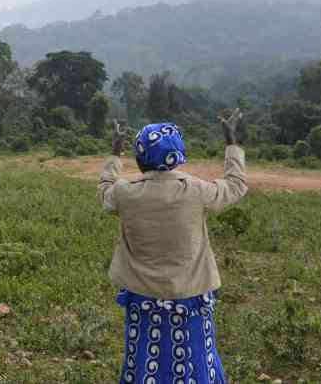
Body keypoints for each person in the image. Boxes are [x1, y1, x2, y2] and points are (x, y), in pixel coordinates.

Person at [97, 109, 247, 384]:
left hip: (141, 298)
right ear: (177, 157)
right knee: (197, 356)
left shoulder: (124, 194)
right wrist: (231, 142)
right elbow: (236, 185)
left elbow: (104, 188)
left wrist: (114, 153)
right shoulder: (197, 191)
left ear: (140, 158)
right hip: (190, 297)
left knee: (143, 358)